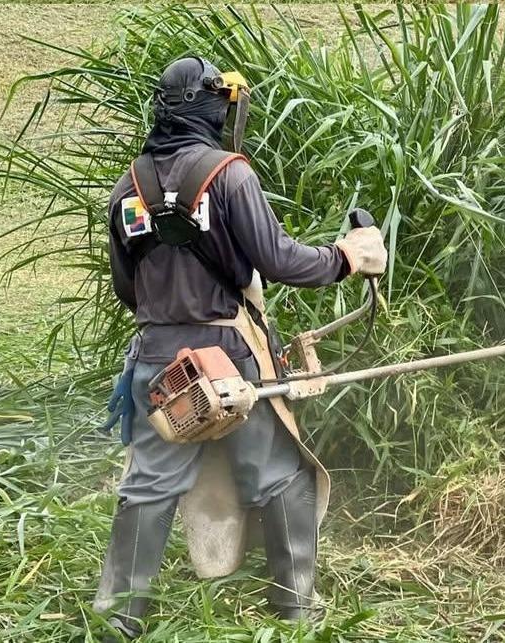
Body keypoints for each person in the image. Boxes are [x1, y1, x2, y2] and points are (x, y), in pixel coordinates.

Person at [94, 56, 387, 639]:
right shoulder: (230, 174)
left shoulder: (128, 186)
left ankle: (120, 616)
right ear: (215, 108)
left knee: (148, 486)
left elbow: (128, 288)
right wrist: (349, 257)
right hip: (227, 362)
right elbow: (279, 261)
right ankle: (295, 609)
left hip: (158, 363)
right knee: (281, 477)